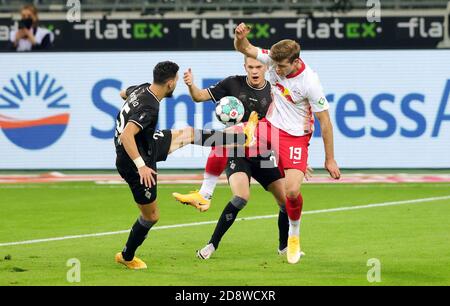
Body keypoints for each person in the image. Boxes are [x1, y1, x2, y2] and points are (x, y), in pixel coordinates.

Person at [114, 61, 259, 269]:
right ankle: (126, 257)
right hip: (134, 160)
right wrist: (141, 166)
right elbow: (127, 135)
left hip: (146, 144)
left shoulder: (142, 89)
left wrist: (129, 105)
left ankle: (240, 137)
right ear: (171, 83)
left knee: (188, 133)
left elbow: (123, 94)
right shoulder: (149, 105)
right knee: (151, 216)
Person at [173, 57, 305, 258]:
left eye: (258, 67)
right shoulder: (232, 83)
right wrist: (191, 85)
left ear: (265, 67)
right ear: (245, 67)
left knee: (285, 201)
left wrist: (292, 158)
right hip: (238, 152)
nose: (254, 70)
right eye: (250, 67)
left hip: (263, 153)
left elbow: (284, 128)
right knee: (240, 197)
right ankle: (212, 244)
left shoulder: (275, 91)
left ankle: (283, 247)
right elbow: (199, 97)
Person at [234, 23, 341, 264]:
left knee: (291, 192)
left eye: (282, 66)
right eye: (275, 65)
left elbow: (325, 123)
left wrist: (329, 158)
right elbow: (244, 48)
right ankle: (205, 191)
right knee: (230, 136)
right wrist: (239, 37)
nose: (277, 70)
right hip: (270, 126)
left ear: (295, 62)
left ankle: (293, 234)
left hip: (294, 136)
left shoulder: (310, 83)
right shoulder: (272, 60)